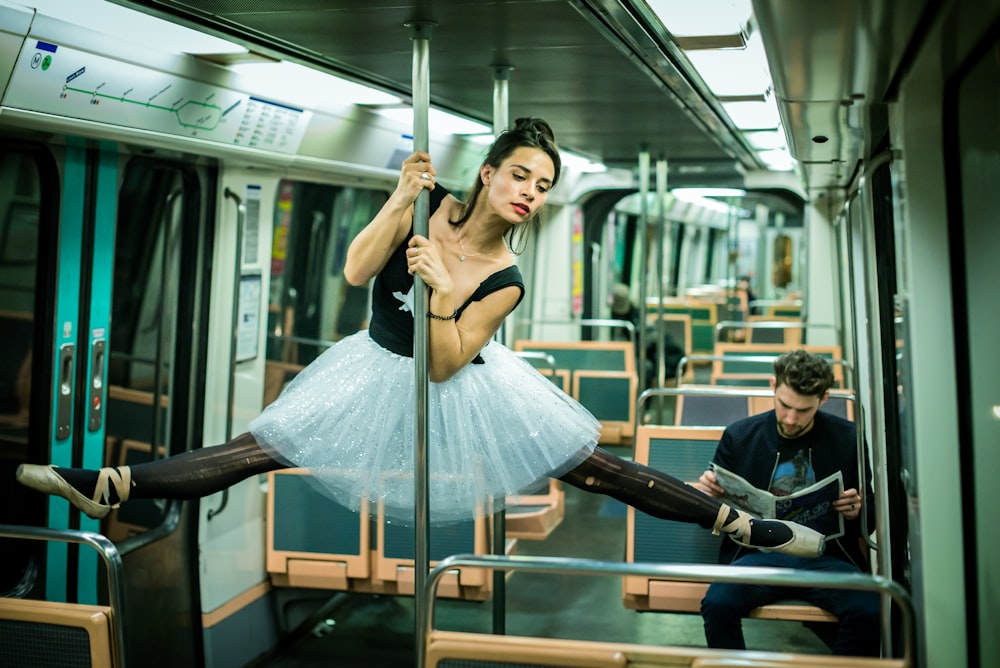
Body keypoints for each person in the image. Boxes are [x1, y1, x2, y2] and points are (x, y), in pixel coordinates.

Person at [16, 118, 822, 557]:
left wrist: (441, 291)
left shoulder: (506, 277)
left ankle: (738, 524)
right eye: (520, 176)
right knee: (264, 445)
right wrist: (398, 198)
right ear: (489, 172)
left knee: (593, 469)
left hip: (459, 381)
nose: (529, 195)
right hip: (371, 365)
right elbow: (357, 272)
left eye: (542, 188)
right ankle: (116, 484)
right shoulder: (426, 203)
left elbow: (441, 366)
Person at [694, 349, 880, 656]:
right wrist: (707, 499)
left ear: (823, 399)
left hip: (828, 558)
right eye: (784, 405)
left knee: (870, 610)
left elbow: (870, 517)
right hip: (757, 556)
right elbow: (707, 519)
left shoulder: (847, 438)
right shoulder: (740, 436)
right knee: (717, 604)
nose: (791, 419)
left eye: (803, 410)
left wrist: (858, 509)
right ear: (773, 386)